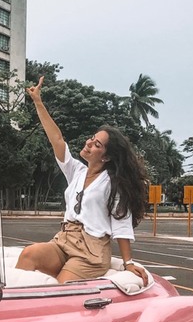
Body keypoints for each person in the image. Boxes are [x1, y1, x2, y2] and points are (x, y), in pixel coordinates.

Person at [16, 76, 148, 285]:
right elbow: (57, 140)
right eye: (91, 138)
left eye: (97, 144)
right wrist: (38, 102)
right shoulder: (76, 171)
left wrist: (128, 262)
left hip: (91, 252)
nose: (89, 143)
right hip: (64, 240)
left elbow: (121, 224)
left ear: (106, 157)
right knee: (29, 254)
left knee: (59, 289)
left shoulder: (113, 184)